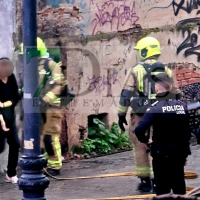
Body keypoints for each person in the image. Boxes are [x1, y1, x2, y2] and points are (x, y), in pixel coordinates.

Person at [118, 37, 181, 192]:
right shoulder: (166, 70)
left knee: (140, 147)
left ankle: (145, 182)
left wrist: (121, 114)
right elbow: (176, 94)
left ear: (145, 51)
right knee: (160, 145)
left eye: (140, 51)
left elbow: (126, 94)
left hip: (141, 115)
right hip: (162, 115)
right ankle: (162, 179)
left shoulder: (136, 70)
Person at [135, 73, 191, 195]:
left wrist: (146, 140)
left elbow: (139, 129)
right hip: (178, 153)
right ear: (170, 88)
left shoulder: (155, 108)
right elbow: (187, 132)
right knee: (179, 187)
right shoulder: (182, 106)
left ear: (157, 89)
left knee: (162, 189)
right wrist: (185, 153)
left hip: (162, 155)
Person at [19, 37, 67, 176]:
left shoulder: (51, 65)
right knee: (37, 136)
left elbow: (60, 84)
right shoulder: (28, 67)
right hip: (35, 107)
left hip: (51, 107)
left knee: (50, 137)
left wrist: (46, 99)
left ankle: (55, 165)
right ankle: (44, 161)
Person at [0, 57, 21, 183]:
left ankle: (11, 174)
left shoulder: (11, 77)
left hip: (9, 116)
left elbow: (16, 97)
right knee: (0, 147)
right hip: (0, 117)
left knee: (15, 144)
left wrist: (5, 104)